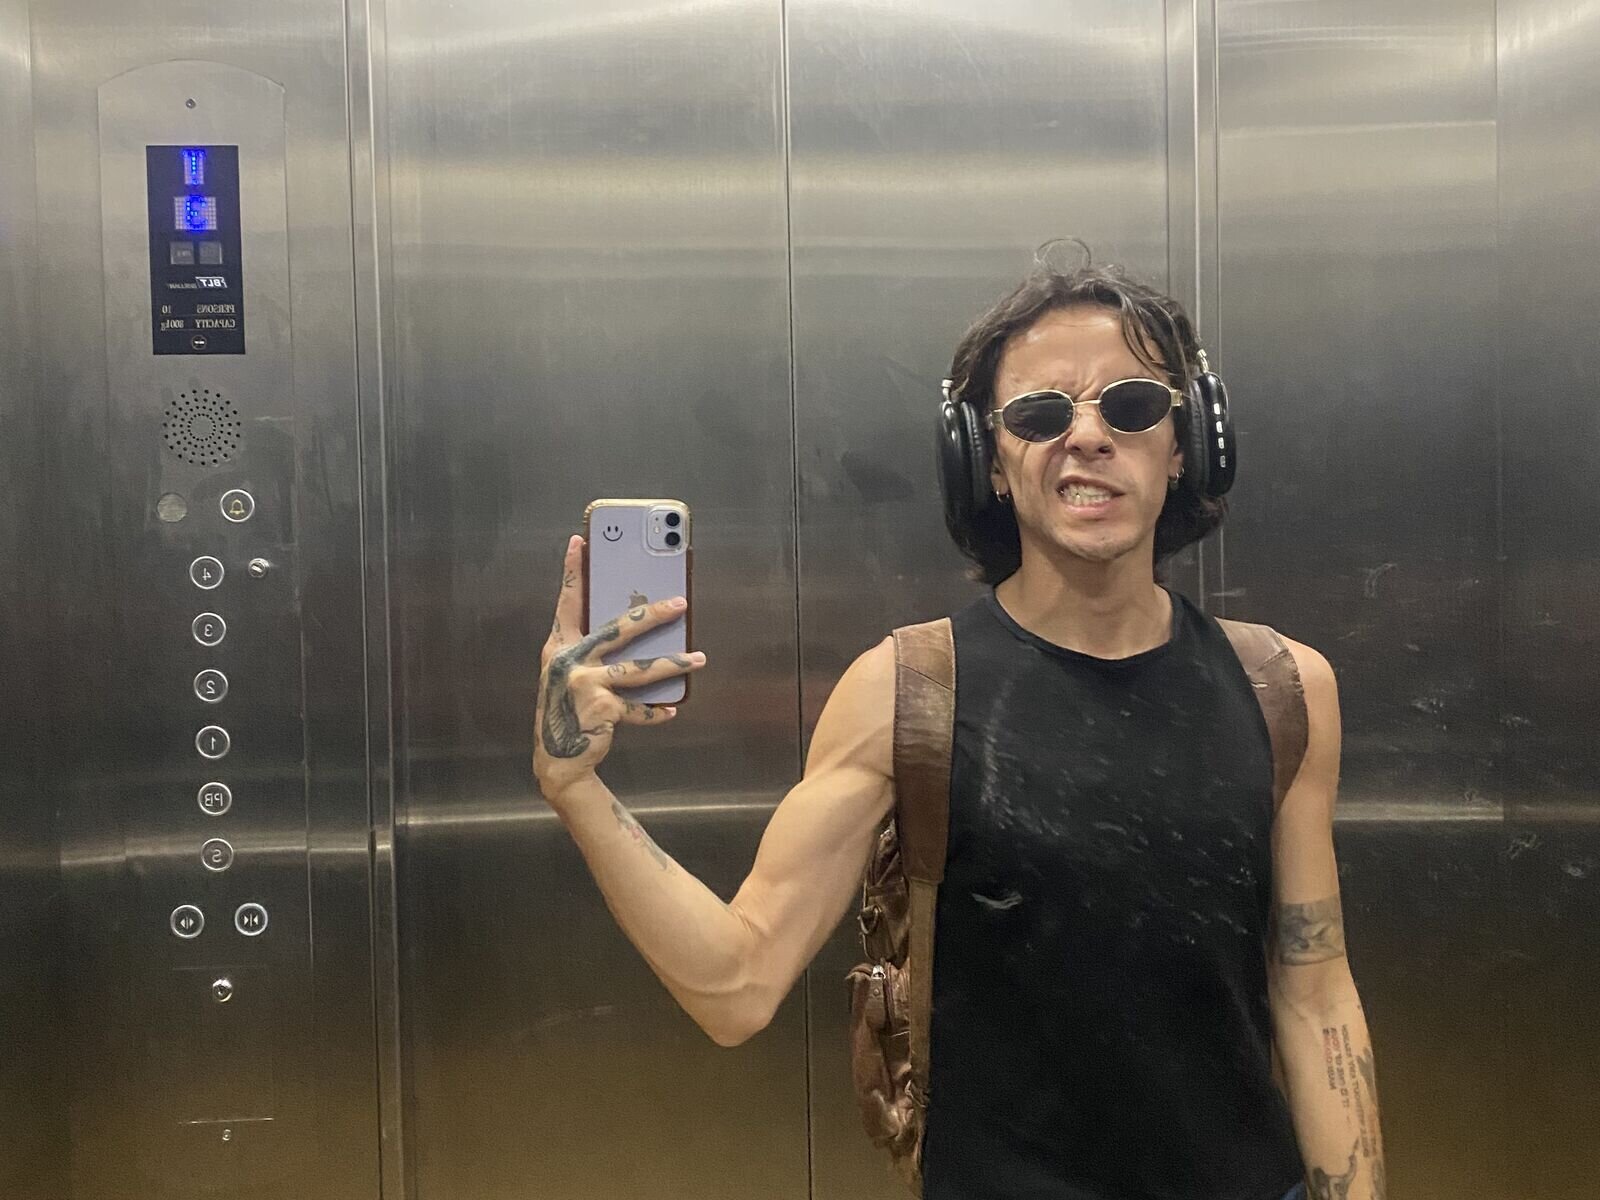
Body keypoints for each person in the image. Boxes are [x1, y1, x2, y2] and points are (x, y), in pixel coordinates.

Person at [532, 255, 1387, 1200]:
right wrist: (575, 786)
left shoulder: (1282, 688)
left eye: (1133, 405)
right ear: (987, 461)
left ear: (1186, 444)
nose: (1088, 437)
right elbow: (737, 985)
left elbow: (1316, 994)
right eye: (1041, 415)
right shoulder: (906, 692)